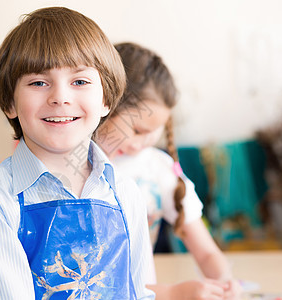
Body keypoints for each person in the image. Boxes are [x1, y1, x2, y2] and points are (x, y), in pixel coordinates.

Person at [0, 8, 155, 299]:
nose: (60, 97)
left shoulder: (126, 194)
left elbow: (141, 293)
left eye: (80, 82)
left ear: (106, 100)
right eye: (38, 82)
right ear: (9, 103)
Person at [95, 42, 242, 300]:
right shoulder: (71, 170)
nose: (142, 143)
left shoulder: (157, 169)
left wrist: (225, 283)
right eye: (137, 130)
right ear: (105, 106)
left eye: (154, 132)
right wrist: (173, 294)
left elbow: (207, 253)